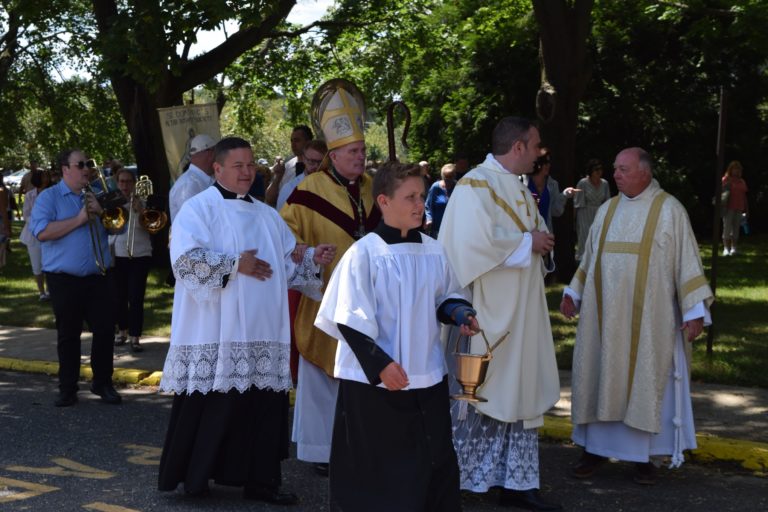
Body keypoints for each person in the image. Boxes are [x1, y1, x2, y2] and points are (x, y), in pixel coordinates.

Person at [157, 136, 336, 503]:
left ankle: (262, 481)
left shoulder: (267, 214)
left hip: (262, 329)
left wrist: (311, 259)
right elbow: (186, 262)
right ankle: (196, 479)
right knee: (214, 403)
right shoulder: (198, 209)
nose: (246, 172)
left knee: (262, 407)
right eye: (237, 166)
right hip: (217, 329)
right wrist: (236, 264)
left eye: (250, 165)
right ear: (217, 168)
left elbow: (286, 262)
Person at [315, 161, 480, 511]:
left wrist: (459, 312)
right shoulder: (365, 253)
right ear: (384, 202)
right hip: (375, 383)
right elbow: (347, 317)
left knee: (433, 458)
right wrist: (381, 366)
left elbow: (445, 295)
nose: (419, 204)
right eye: (410, 197)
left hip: (425, 372)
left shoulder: (433, 250)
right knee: (379, 467)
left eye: (421, 195)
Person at [560, 147, 713, 485]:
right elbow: (589, 258)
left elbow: (687, 263)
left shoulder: (669, 210)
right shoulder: (607, 210)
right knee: (602, 374)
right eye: (615, 168)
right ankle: (594, 450)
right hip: (604, 319)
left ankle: (645, 458)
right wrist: (574, 293)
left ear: (645, 172)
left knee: (644, 377)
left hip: (650, 322)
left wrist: (694, 312)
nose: (616, 174)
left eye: (623, 169)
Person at [438, 116, 561, 511]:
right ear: (518, 147)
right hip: (490, 311)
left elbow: (532, 237)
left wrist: (540, 243)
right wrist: (529, 242)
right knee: (486, 391)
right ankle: (465, 475)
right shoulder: (475, 185)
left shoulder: (519, 188)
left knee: (518, 390)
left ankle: (516, 481)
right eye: (536, 144)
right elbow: (469, 246)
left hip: (522, 309)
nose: (540, 152)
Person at [281, 80, 381, 476]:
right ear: (335, 155)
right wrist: (307, 253)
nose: (361, 157)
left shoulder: (375, 188)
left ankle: (363, 444)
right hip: (324, 298)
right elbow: (283, 240)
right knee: (323, 381)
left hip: (370, 298)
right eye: (354, 152)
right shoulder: (307, 191)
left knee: (363, 378)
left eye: (363, 150)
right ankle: (322, 451)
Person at [29, 150, 122, 407]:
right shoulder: (49, 198)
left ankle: (102, 383)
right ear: (64, 169)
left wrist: (102, 210)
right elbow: (42, 232)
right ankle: (67, 388)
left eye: (88, 164)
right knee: (68, 335)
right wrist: (81, 218)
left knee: (104, 331)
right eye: (80, 165)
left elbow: (119, 227)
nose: (86, 169)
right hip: (64, 279)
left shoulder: (97, 192)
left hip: (98, 276)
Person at [110, 168, 152, 352]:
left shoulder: (144, 202)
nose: (125, 185)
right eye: (122, 182)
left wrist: (141, 210)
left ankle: (135, 336)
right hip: (117, 253)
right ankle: (122, 331)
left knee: (136, 297)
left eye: (128, 181)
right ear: (117, 183)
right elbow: (108, 227)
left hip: (139, 254)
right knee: (119, 297)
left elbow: (153, 228)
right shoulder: (112, 203)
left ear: (134, 183)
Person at [523, 148, 578, 232]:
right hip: (526, 234)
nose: (548, 165)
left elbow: (556, 211)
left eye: (549, 162)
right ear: (538, 163)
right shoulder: (523, 182)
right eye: (545, 162)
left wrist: (564, 194)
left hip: (545, 234)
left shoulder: (552, 184)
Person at [168, 134, 216, 223]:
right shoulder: (188, 185)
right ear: (210, 153)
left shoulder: (208, 179)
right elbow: (193, 223)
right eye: (217, 152)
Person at [19, 168, 51, 299]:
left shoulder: (51, 193)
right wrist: (38, 223)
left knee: (49, 263)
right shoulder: (30, 195)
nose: (46, 178)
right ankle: (41, 292)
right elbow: (26, 213)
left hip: (50, 232)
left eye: (47, 176)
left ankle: (50, 290)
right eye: (44, 176)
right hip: (33, 234)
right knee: (36, 264)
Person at [265, 125, 314, 206]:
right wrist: (277, 177)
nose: (293, 144)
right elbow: (270, 199)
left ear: (308, 142)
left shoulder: (318, 166)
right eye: (291, 141)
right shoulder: (286, 167)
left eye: (297, 140)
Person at [573, 159, 611, 260]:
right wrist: (574, 220)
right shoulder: (583, 183)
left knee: (598, 241)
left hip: (599, 215)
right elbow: (577, 204)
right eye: (596, 169)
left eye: (600, 169)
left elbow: (608, 203)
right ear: (590, 171)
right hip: (585, 215)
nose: (599, 171)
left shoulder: (605, 184)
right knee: (585, 242)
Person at [276, 139, 328, 211]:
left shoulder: (335, 186)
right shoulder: (290, 189)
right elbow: (281, 220)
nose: (316, 166)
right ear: (303, 159)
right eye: (312, 161)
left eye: (320, 162)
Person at [721, 160, 748, 256]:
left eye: (738, 169)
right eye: (735, 169)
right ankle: (726, 248)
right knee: (727, 228)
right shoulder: (726, 179)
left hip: (739, 207)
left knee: (736, 229)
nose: (736, 171)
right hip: (728, 208)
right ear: (730, 169)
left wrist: (746, 209)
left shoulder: (742, 181)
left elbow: (744, 196)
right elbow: (722, 194)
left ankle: (734, 248)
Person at [424, 163, 457, 237]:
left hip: (453, 228)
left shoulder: (458, 187)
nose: (448, 180)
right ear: (442, 176)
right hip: (436, 229)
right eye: (446, 178)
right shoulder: (435, 187)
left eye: (450, 177)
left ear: (454, 176)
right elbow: (428, 205)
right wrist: (429, 219)